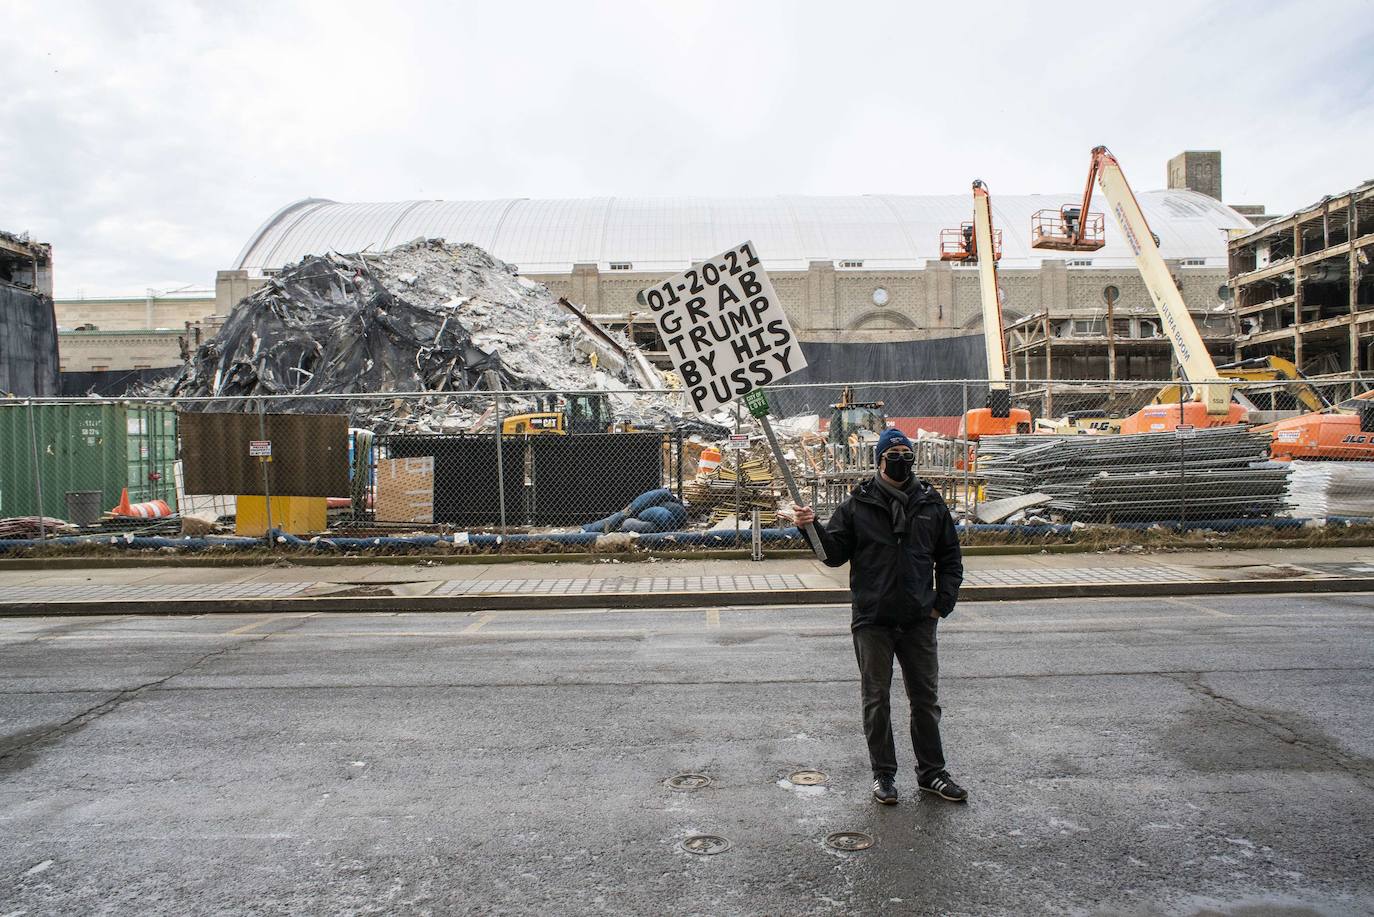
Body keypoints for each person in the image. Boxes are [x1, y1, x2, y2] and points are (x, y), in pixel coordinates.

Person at [790, 428, 967, 805]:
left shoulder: (930, 504)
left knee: (925, 700)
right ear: (880, 461)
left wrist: (941, 603)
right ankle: (884, 775)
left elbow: (950, 558)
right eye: (894, 455)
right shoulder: (859, 505)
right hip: (873, 620)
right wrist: (810, 528)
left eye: (907, 454)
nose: (901, 460)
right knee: (877, 699)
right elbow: (833, 554)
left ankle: (932, 773)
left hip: (919, 619)